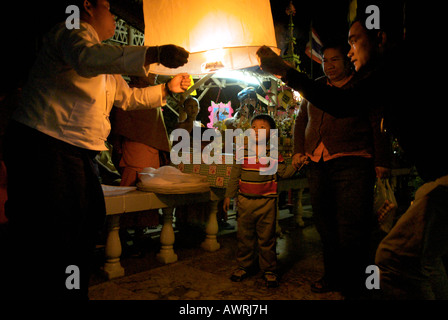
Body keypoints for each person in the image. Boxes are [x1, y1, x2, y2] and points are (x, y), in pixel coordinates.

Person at [1, 0, 191, 300]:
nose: (113, 14)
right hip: (46, 145)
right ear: (87, 6)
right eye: (106, 6)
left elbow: (128, 98)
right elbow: (86, 58)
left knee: (87, 220)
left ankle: (71, 289)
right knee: (55, 231)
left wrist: (167, 90)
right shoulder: (71, 31)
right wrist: (152, 53)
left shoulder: (104, 62)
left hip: (74, 152)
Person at [257, 4, 448, 299]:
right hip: (430, 179)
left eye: (354, 41)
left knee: (388, 252)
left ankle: (356, 284)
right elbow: (303, 122)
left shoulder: (393, 69)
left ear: (381, 39)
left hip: (417, 176)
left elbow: (350, 108)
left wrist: (285, 71)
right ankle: (339, 277)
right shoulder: (390, 71)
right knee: (423, 257)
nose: (347, 53)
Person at [292, 40, 391, 299]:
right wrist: (298, 150)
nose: (329, 65)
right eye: (325, 60)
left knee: (352, 227)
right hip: (318, 162)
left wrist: (381, 160)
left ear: (347, 61)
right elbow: (301, 119)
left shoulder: (361, 87)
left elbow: (376, 123)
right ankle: (332, 276)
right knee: (325, 225)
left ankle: (356, 283)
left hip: (353, 161)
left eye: (334, 59)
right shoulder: (316, 89)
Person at [223, 114, 297, 288]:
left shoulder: (273, 153)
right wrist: (229, 195)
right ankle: (244, 266)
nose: (256, 131)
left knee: (267, 238)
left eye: (262, 128)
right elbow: (235, 174)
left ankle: (269, 269)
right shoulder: (242, 151)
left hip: (267, 203)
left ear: (271, 134)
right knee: (244, 236)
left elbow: (283, 173)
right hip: (244, 202)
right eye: (254, 127)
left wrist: (297, 163)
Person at [109, 74, 175, 256]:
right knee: (133, 186)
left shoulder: (152, 93)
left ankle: (138, 232)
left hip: (148, 149)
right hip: (135, 148)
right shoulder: (131, 91)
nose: (153, 76)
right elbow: (122, 121)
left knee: (147, 185)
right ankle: (122, 230)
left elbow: (155, 126)